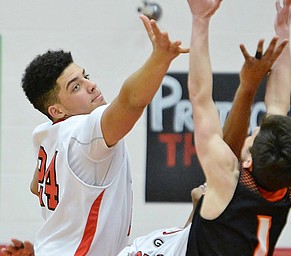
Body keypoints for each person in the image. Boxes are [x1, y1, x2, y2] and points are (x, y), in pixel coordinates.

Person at [0, 14, 188, 256]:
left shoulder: (45, 132)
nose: (91, 85)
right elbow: (131, 102)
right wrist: (160, 59)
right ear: (56, 110)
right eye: (75, 87)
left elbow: (37, 186)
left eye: (85, 77)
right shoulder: (83, 133)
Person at [186, 0, 291, 255]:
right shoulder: (287, 184)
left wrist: (200, 21)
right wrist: (283, 30)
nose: (253, 131)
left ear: (249, 162)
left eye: (254, 135)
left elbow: (200, 98)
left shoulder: (227, 182)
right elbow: (278, 103)